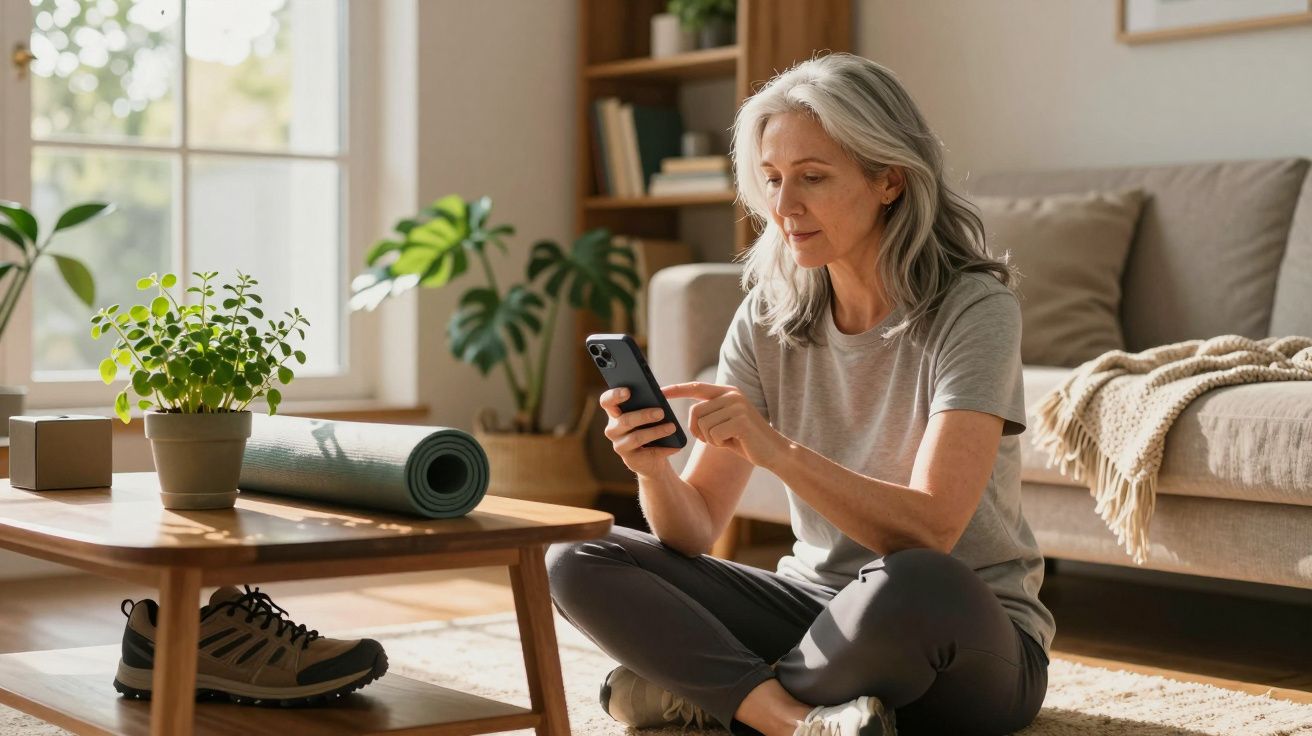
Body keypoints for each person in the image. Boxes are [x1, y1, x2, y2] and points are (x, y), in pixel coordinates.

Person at [546, 51, 1052, 736]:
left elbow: (932, 532)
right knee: (576, 555)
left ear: (889, 180)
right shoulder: (768, 316)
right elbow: (694, 528)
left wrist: (775, 450)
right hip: (812, 609)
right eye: (773, 178)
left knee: (916, 580)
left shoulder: (974, 308)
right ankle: (790, 721)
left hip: (960, 637)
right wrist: (653, 470)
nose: (784, 207)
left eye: (813, 177)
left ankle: (710, 691)